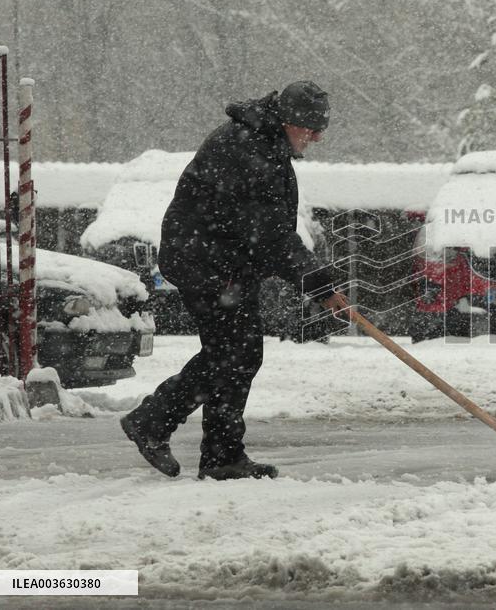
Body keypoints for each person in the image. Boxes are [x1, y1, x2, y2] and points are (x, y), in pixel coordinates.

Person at [121, 80, 349, 481]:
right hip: (205, 265)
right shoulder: (249, 151)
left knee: (236, 354)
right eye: (312, 128)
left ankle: (219, 454)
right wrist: (321, 287)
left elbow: (269, 231)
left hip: (224, 265)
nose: (316, 137)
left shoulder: (265, 142)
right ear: (289, 121)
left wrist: (316, 283)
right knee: (233, 354)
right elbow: (272, 236)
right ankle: (156, 422)